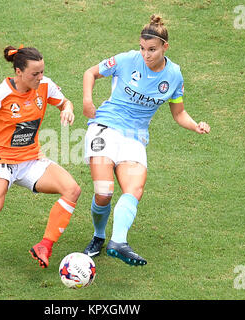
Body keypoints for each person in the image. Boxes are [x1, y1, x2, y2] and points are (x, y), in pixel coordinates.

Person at [82, 15, 210, 266]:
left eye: (152, 50)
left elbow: (179, 112)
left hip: (135, 136)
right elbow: (91, 73)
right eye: (143, 48)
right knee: (104, 192)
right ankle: (98, 236)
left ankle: (118, 242)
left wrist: (196, 126)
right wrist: (88, 100)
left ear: (165, 47)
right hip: (104, 127)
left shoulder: (174, 76)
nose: (146, 54)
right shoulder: (128, 59)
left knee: (134, 190)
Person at [0, 45, 81, 284]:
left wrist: (67, 110)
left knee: (72, 190)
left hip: (31, 160)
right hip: (2, 162)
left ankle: (44, 246)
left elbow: (65, 102)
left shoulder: (45, 85)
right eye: (34, 74)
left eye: (42, 72)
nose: (40, 78)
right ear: (19, 72)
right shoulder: (0, 95)